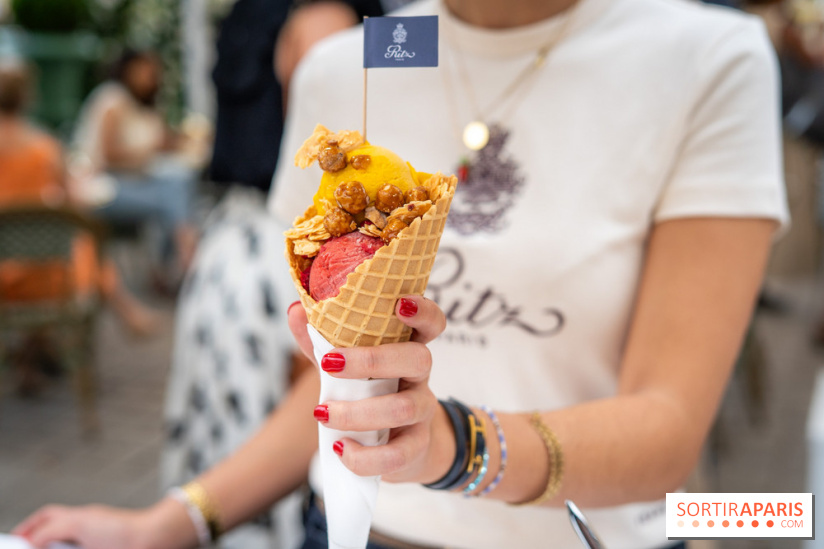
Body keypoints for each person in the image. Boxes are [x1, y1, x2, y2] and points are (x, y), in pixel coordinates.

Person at [14, 0, 788, 548]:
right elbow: (332, 391)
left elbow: (668, 426)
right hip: (353, 530)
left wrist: (452, 444)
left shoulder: (703, 57)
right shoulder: (351, 62)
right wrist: (173, 521)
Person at [0, 59, 158, 392]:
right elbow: (75, 200)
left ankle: (31, 356)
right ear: (27, 97)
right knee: (81, 246)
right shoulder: (44, 149)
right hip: (46, 280)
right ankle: (122, 311)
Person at [72, 50, 199, 285]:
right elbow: (108, 157)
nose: (150, 75)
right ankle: (186, 262)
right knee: (173, 195)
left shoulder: (148, 105)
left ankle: (176, 264)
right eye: (144, 69)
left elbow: (163, 143)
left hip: (135, 184)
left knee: (179, 183)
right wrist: (148, 153)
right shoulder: (113, 99)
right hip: (102, 189)